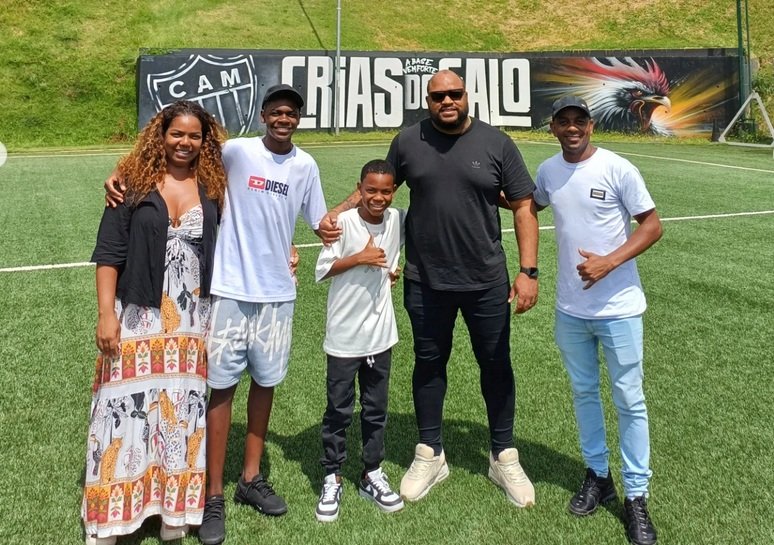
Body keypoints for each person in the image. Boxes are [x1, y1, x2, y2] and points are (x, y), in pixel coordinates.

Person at [105, 85, 327, 545]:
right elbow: (172, 151)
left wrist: (370, 219)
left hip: (278, 298)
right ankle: (212, 497)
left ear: (299, 119)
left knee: (265, 386)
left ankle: (250, 480)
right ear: (263, 114)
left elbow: (321, 222)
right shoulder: (235, 151)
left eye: (292, 112)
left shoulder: (306, 166)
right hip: (225, 292)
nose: (284, 118)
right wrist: (120, 171)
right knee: (220, 390)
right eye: (277, 111)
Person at [319, 70, 540, 508]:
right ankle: (430, 452)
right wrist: (336, 212)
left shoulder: (497, 143)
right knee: (429, 363)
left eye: (454, 94)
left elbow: (523, 206)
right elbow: (378, 187)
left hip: (485, 280)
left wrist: (528, 271)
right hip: (426, 279)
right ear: (428, 99)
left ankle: (503, 454)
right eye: (438, 96)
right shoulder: (407, 141)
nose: (447, 101)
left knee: (495, 363)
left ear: (466, 96)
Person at [85, 100, 227, 545]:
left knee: (179, 414)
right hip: (139, 315)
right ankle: (111, 519)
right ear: (159, 135)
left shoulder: (213, 185)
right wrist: (107, 314)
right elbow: (109, 253)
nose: (185, 143)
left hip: (192, 321)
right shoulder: (131, 183)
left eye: (194, 136)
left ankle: (171, 513)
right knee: (121, 409)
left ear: (205, 141)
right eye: (176, 134)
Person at [533, 96, 662, 545]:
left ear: (591, 126)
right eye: (563, 122)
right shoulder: (548, 171)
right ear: (552, 128)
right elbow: (529, 204)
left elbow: (651, 225)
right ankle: (598, 476)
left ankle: (637, 496)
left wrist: (609, 261)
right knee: (585, 393)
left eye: (579, 121)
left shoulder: (618, 168)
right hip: (571, 309)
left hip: (620, 308)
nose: (572, 128)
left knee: (629, 399)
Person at [313, 160, 406, 523]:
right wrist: (359, 258)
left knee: (375, 408)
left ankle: (371, 472)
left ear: (393, 192)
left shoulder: (397, 219)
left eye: (385, 191)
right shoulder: (344, 224)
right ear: (359, 188)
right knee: (338, 409)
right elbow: (322, 270)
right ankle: (332, 474)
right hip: (344, 336)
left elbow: (392, 262)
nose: (378, 197)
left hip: (381, 335)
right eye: (371, 190)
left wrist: (392, 270)